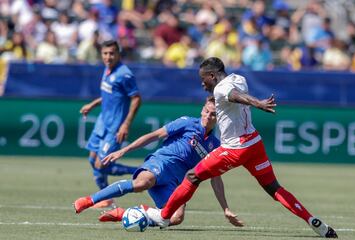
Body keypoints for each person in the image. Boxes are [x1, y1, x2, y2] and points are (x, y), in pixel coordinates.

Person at [146, 57, 338, 238]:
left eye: (203, 79)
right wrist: (255, 101)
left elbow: (235, 96)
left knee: (192, 176)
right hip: (254, 144)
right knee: (274, 188)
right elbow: (237, 93)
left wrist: (258, 103)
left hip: (235, 148)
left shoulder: (221, 90)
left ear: (212, 76)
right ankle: (312, 221)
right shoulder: (240, 78)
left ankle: (164, 216)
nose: (202, 84)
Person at [74, 97, 244, 228]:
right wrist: (123, 150)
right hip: (160, 163)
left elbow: (216, 178)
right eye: (206, 111)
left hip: (175, 182)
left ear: (219, 117)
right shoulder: (187, 122)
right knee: (142, 183)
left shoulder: (215, 145)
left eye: (213, 114)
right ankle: (89, 200)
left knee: (176, 217)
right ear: (202, 110)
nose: (208, 115)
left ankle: (123, 214)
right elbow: (154, 136)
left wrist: (225, 209)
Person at [79, 40, 141, 208]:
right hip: (102, 123)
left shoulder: (124, 74)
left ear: (118, 54)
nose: (108, 57)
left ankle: (137, 171)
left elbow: (136, 98)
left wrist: (125, 124)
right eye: (105, 53)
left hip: (115, 127)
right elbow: (110, 95)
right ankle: (106, 198)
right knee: (93, 160)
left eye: (112, 53)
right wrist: (92, 105)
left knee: (102, 165)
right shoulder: (107, 69)